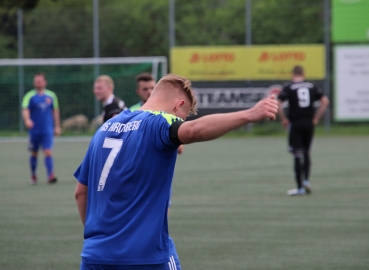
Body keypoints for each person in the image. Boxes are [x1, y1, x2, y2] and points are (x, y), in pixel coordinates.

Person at [74, 74, 278, 270]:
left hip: (95, 255)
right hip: (144, 256)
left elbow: (80, 193)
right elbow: (194, 130)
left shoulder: (105, 128)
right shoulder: (158, 122)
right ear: (178, 105)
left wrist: (100, 241)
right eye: (183, 115)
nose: (181, 120)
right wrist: (249, 114)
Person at [277, 65, 329, 196]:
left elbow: (278, 102)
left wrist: (283, 119)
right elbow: (325, 101)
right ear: (303, 74)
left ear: (292, 74)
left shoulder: (289, 87)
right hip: (309, 123)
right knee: (307, 152)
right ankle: (306, 181)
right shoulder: (313, 86)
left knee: (297, 155)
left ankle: (299, 188)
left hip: (295, 123)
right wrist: (316, 117)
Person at [22, 73, 60, 184]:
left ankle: (50, 176)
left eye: (40, 80)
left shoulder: (51, 96)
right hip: (34, 131)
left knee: (48, 151)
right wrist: (27, 120)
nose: (39, 82)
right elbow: (25, 109)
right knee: (34, 153)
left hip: (47, 130)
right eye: (37, 80)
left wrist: (57, 126)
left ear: (45, 82)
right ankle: (33, 175)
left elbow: (55, 111)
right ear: (34, 83)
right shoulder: (29, 96)